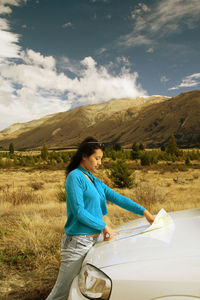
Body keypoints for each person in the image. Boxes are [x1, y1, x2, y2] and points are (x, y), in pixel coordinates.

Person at [46, 136, 155, 300]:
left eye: (101, 159)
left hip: (95, 240)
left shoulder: (95, 180)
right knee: (61, 293)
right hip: (77, 243)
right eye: (96, 158)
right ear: (84, 156)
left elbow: (118, 198)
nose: (99, 162)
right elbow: (79, 212)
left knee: (87, 290)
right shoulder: (75, 177)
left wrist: (144, 212)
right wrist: (104, 226)